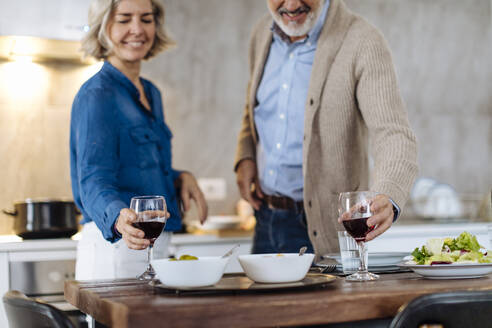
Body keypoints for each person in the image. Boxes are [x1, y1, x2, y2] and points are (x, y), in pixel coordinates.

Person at [235, 0, 418, 255]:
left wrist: (388, 192)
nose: (291, 4)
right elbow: (256, 106)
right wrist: (245, 156)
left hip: (325, 228)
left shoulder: (363, 41)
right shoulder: (261, 33)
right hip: (265, 219)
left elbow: (393, 132)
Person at [70, 0, 207, 279]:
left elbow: (138, 165)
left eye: (146, 19)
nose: (137, 29)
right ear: (104, 26)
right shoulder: (97, 95)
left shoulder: (151, 93)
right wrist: (118, 217)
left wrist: (179, 177)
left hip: (154, 246)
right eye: (124, 20)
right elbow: (93, 179)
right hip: (116, 247)